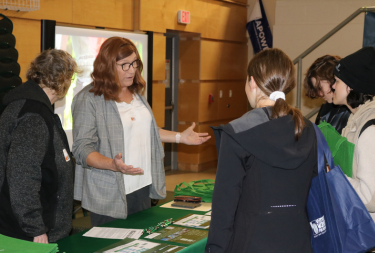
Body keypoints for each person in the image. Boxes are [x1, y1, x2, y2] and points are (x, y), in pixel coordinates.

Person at [72, 36, 211, 227]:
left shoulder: (137, 94)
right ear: (107, 65)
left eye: (135, 63)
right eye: (125, 65)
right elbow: (81, 148)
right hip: (110, 189)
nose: (132, 70)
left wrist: (180, 137)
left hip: (141, 185)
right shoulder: (89, 99)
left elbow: (148, 131)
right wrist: (112, 165)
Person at [205, 48, 317, 253]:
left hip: (250, 242)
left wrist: (215, 248)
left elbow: (225, 205)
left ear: (252, 82)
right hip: (298, 240)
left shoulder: (237, 132)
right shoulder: (308, 129)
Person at [0, 49, 79, 243]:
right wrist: (35, 228)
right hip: (28, 233)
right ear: (64, 79)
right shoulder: (33, 116)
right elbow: (22, 177)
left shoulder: (33, 107)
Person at [331, 46, 375, 232]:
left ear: (351, 86)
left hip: (371, 238)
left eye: (337, 81)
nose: (333, 86)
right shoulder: (356, 120)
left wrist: (333, 178)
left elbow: (370, 199)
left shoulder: (371, 131)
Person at [304, 55, 351, 134]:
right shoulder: (325, 110)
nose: (319, 94)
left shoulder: (352, 111)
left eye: (320, 88)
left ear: (333, 80)